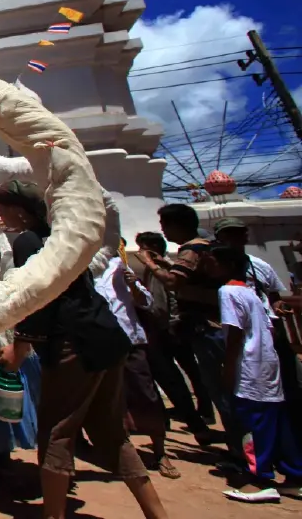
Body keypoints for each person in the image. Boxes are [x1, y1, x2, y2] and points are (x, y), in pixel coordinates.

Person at [0, 181, 167, 519]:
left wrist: (20, 347)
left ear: (18, 210)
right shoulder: (61, 237)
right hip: (107, 336)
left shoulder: (28, 241)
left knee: (57, 432)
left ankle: (53, 514)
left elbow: (38, 296)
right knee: (111, 433)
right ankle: (156, 512)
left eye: (1, 208)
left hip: (73, 343)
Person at [141, 204, 244, 462]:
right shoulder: (203, 246)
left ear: (178, 225)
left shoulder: (191, 248)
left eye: (166, 225)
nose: (163, 230)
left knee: (219, 386)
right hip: (212, 324)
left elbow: (175, 282)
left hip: (205, 325)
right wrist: (165, 263)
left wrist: (149, 265)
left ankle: (240, 449)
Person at [211, 245, 302, 502]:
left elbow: (235, 333)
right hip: (267, 364)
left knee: (252, 424)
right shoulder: (251, 292)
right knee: (277, 421)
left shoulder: (227, 291)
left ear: (227, 265)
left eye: (212, 262)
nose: (208, 267)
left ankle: (260, 478)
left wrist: (228, 368)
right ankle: (294, 475)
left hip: (249, 368)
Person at [94, 247, 178, 478]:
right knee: (111, 401)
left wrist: (132, 284)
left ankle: (160, 452)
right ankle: (123, 455)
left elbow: (145, 301)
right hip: (98, 341)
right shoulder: (78, 268)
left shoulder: (118, 266)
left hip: (129, 338)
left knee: (146, 394)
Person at [131, 231, 217, 441]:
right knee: (184, 373)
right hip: (169, 328)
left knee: (173, 376)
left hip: (166, 329)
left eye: (143, 248)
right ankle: (197, 414)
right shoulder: (164, 268)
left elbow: (163, 303)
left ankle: (197, 420)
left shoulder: (162, 271)